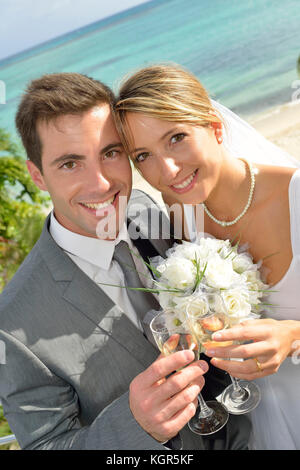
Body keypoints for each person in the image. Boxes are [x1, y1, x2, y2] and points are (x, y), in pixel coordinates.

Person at [0, 72, 250, 450]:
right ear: (37, 175)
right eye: (70, 163)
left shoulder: (147, 214)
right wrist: (135, 426)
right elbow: (45, 444)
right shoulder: (13, 322)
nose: (101, 183)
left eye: (111, 153)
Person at [114, 63, 300, 450]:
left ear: (215, 127)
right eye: (143, 155)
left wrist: (294, 335)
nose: (166, 170)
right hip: (261, 419)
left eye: (177, 137)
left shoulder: (295, 194)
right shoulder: (183, 215)